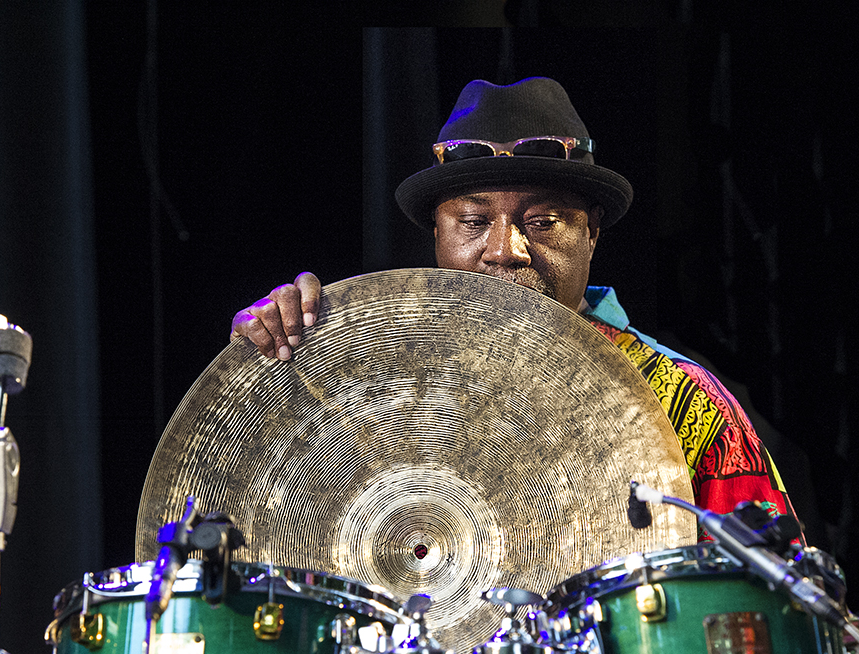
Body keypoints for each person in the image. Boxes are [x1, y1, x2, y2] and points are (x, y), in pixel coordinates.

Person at [231, 77, 794, 522]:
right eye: (474, 221)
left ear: (592, 234)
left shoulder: (683, 405)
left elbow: (764, 610)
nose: (504, 251)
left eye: (543, 221)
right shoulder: (361, 376)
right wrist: (268, 370)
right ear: (437, 234)